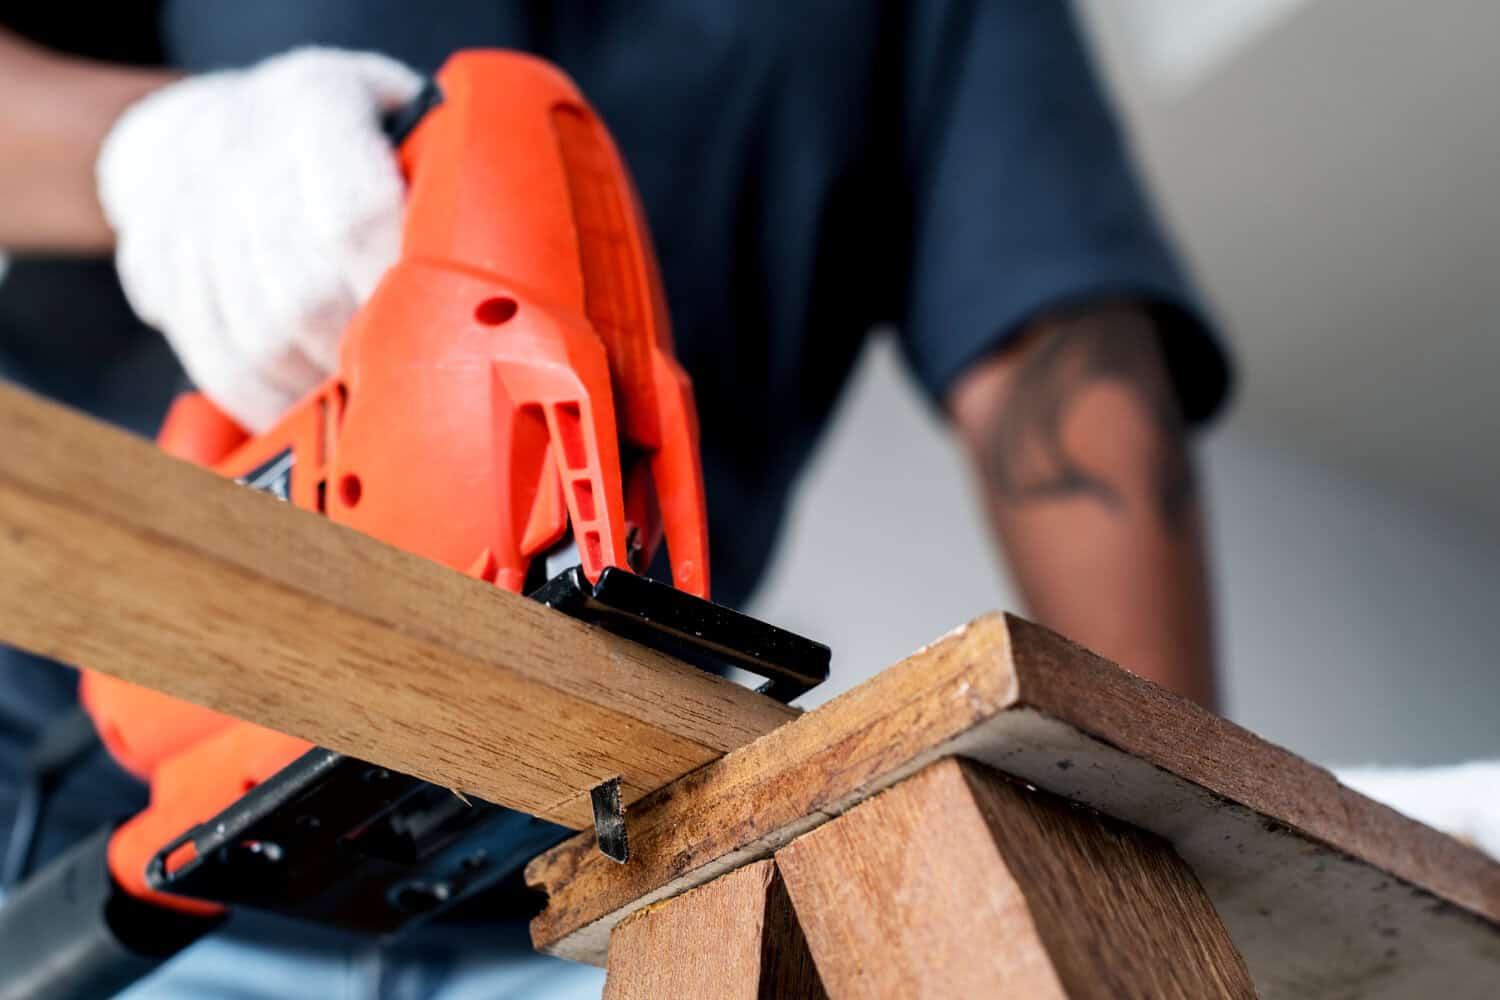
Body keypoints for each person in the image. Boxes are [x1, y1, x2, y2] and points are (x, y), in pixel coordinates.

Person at [0, 4, 1233, 997]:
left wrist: (1169, 839)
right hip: (84, 845)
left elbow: (1063, 357)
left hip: (607, 882)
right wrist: (151, 147)